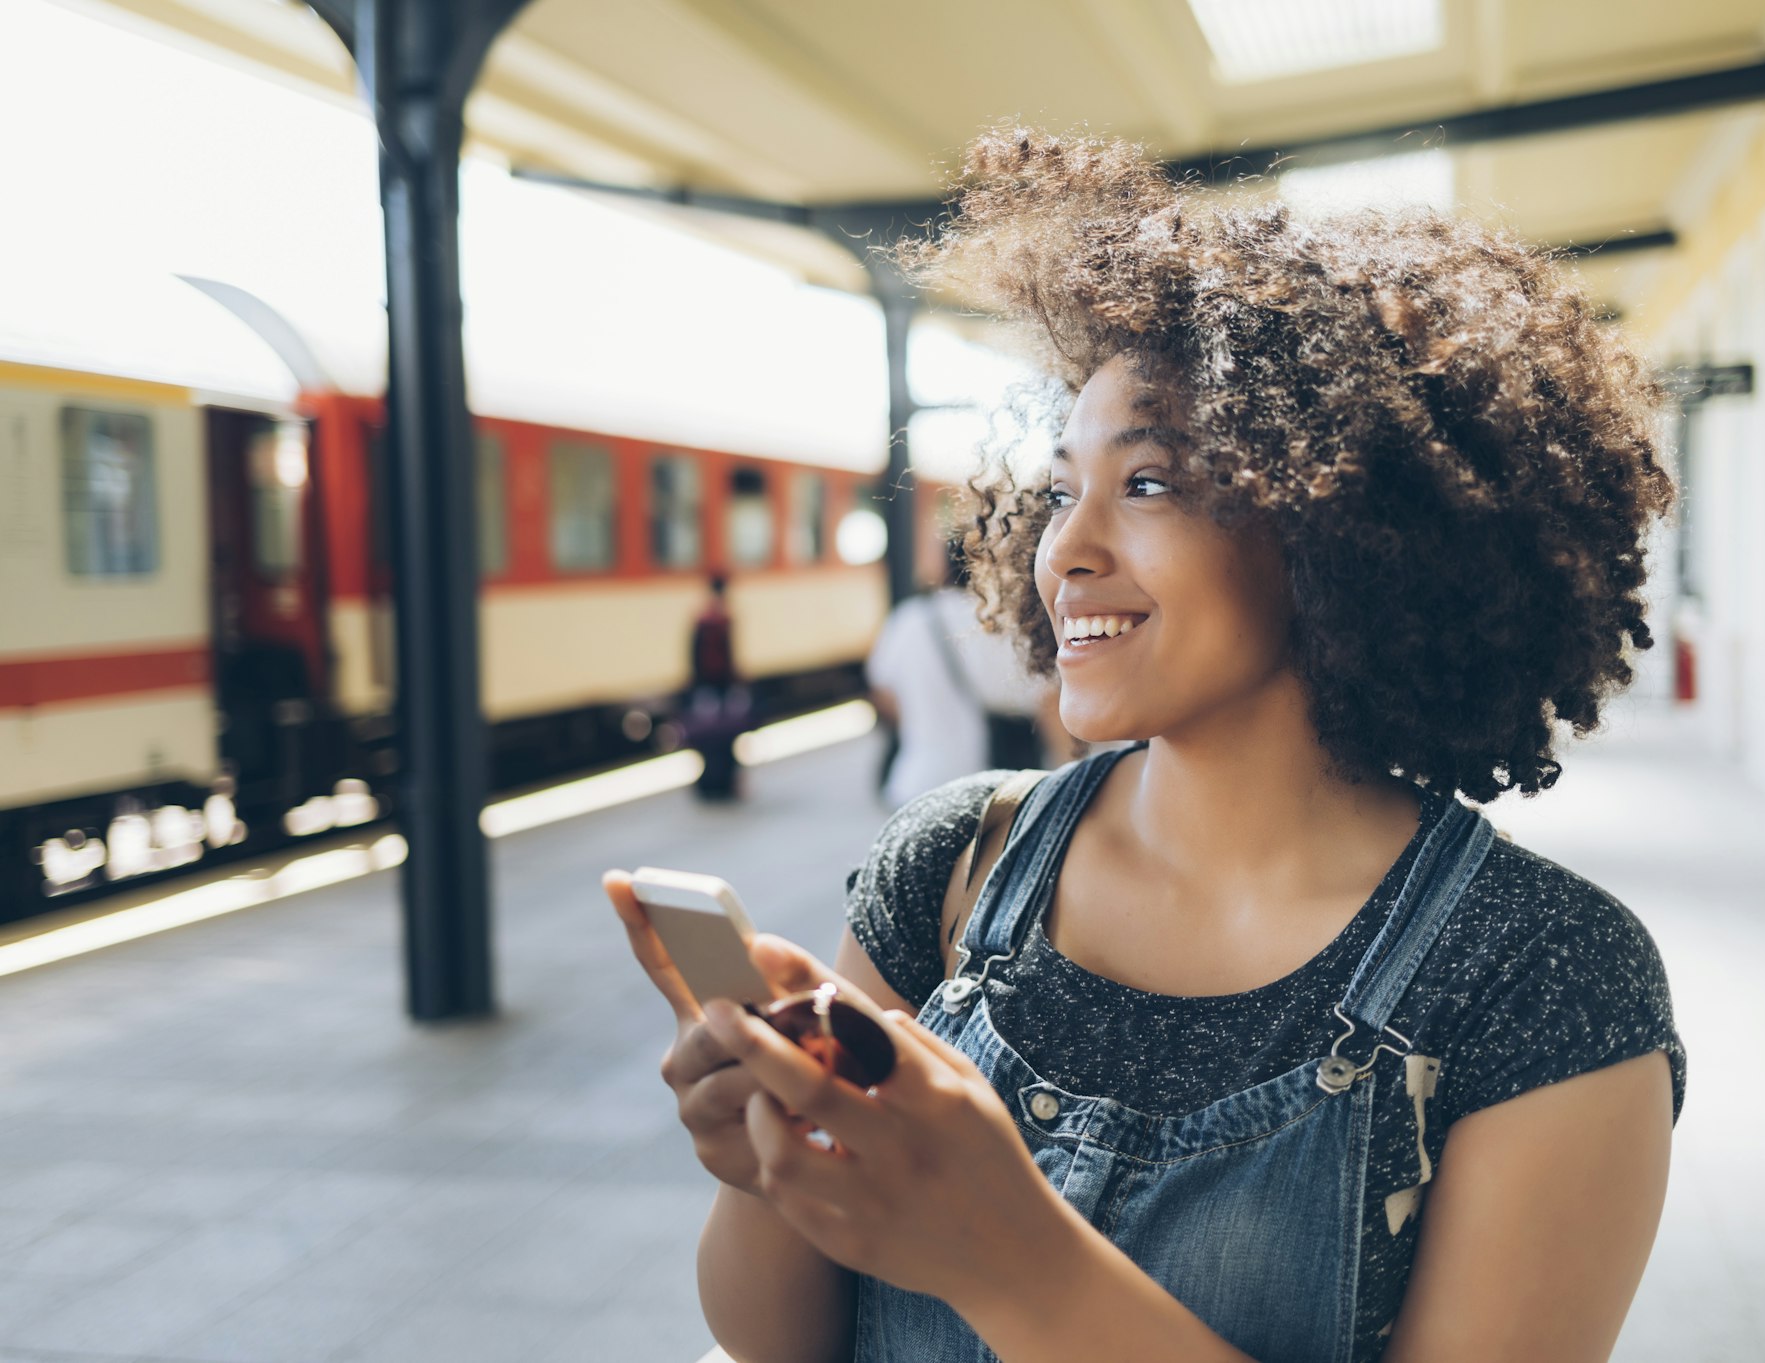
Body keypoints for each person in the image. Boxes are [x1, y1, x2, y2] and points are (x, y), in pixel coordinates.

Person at [605, 126, 1684, 1363]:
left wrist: (1011, 1256)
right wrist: (765, 1164)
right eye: (1064, 485)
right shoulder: (954, 865)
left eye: (1154, 483)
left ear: (1347, 523)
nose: (1063, 548)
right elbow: (771, 1343)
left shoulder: (1546, 976)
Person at [866, 535, 1064, 808]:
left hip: (916, 784)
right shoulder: (1000, 624)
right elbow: (1046, 701)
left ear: (942, 565)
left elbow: (884, 695)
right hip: (991, 794)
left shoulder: (908, 619)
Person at [685, 573, 748, 801]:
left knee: (709, 739)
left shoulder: (702, 619)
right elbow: (730, 659)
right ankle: (724, 785)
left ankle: (710, 786)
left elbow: (694, 658)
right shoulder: (723, 620)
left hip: (707, 688)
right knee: (726, 738)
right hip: (721, 688)